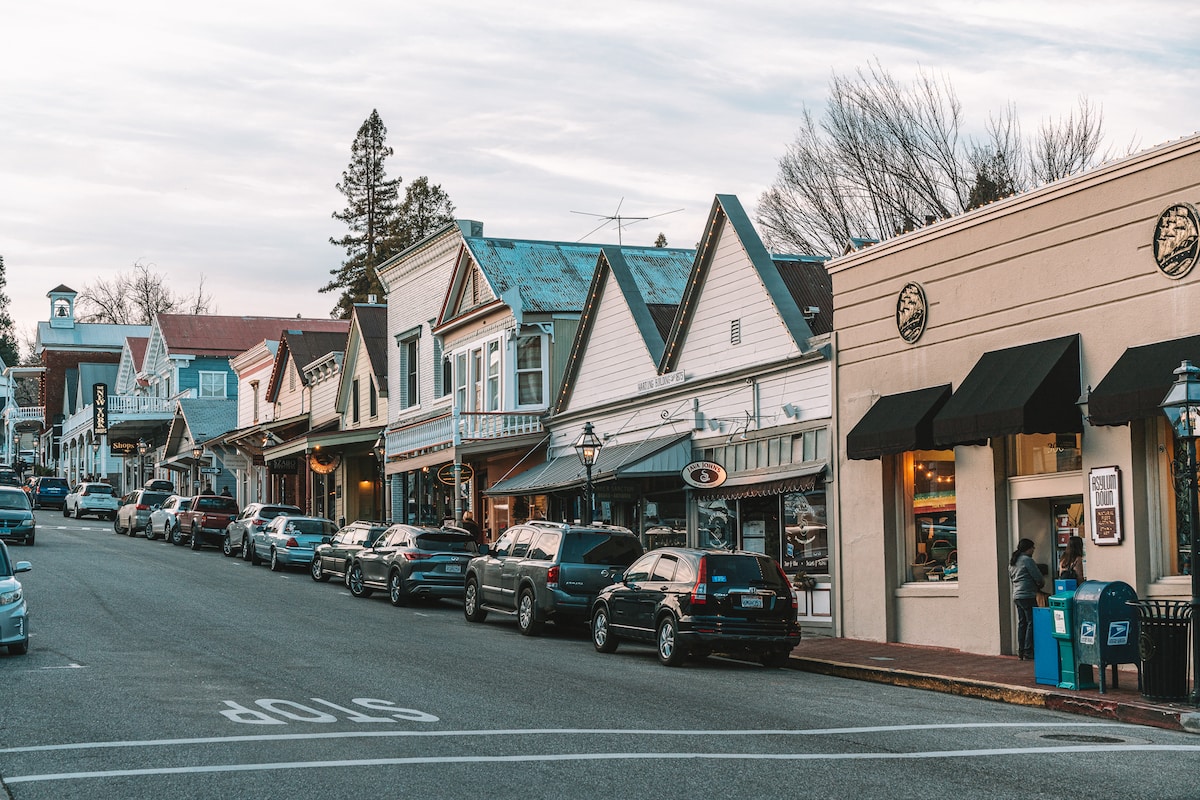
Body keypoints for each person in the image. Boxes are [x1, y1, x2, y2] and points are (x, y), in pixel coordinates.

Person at [1009, 538, 1045, 661]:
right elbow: (1038, 577)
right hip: (1027, 595)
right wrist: (1040, 585)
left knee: (1022, 623)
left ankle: (1021, 650)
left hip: (1017, 595)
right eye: (1032, 548)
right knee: (1031, 622)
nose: (1034, 550)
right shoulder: (1027, 560)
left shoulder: (1013, 561)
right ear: (1028, 548)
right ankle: (1029, 650)